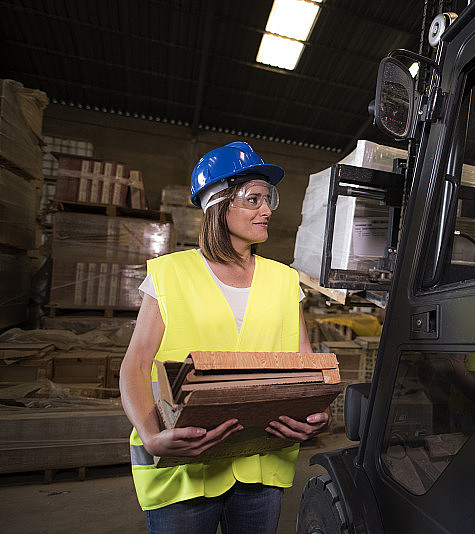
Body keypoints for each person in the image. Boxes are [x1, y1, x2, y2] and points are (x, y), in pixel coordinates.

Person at [119, 141, 330, 534]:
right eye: (253, 199)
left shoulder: (284, 281)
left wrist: (317, 414)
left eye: (268, 199)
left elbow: (306, 366)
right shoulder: (169, 274)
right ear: (218, 204)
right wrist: (150, 435)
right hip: (184, 467)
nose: (266, 210)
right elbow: (135, 365)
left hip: (261, 460)